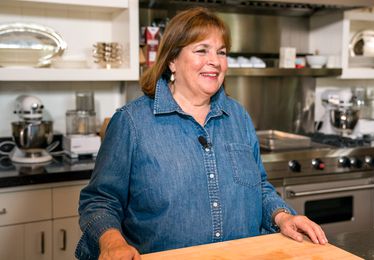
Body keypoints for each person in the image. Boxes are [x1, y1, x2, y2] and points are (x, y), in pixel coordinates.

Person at [75, 7, 327, 260]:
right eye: (201, 50)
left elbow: (258, 187)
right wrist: (112, 241)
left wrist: (283, 216)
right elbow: (100, 200)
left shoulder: (237, 116)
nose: (215, 61)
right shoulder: (132, 122)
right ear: (172, 60)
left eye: (221, 52)